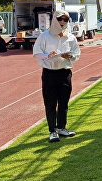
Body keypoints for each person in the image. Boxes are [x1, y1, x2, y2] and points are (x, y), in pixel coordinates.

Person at [33, 11, 81, 143]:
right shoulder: (44, 36)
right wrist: (48, 55)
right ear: (54, 20)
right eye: (60, 19)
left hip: (65, 72)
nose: (63, 22)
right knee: (50, 103)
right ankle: (52, 130)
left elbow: (77, 54)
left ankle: (62, 127)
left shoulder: (70, 37)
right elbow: (36, 53)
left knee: (64, 102)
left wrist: (70, 56)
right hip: (50, 73)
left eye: (66, 19)